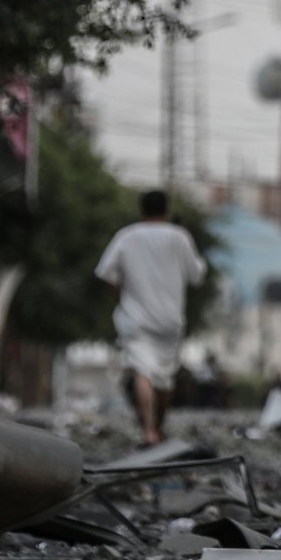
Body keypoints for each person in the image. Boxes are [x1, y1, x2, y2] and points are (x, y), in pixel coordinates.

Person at [95, 190, 207, 445]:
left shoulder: (127, 236)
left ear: (141, 210)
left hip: (136, 318)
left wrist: (122, 296)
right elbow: (196, 274)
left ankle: (149, 429)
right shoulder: (180, 237)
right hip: (170, 319)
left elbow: (106, 273)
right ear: (166, 210)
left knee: (142, 373)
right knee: (164, 379)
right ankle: (158, 426)